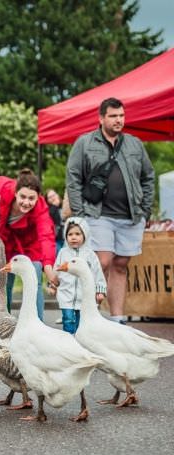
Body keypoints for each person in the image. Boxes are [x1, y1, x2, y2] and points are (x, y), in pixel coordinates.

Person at [66, 97, 155, 324]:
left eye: (121, 116)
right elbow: (73, 177)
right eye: (114, 116)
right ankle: (89, 316)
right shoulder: (85, 143)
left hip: (131, 216)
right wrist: (78, 212)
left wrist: (144, 210)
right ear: (101, 118)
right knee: (102, 261)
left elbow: (148, 177)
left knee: (121, 265)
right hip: (97, 214)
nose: (119, 120)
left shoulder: (134, 144)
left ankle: (117, 319)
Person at [0, 168, 57, 320]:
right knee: (4, 282)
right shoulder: (7, 187)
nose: (26, 202)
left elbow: (46, 236)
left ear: (38, 197)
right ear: (15, 193)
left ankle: (36, 323)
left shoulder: (41, 208)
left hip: (30, 245)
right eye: (23, 196)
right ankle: (3, 320)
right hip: (7, 241)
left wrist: (48, 266)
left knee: (35, 278)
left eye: (31, 198)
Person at [48, 217, 106, 334]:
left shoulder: (90, 255)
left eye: (78, 234)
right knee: (68, 320)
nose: (74, 237)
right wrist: (52, 285)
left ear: (85, 235)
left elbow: (97, 273)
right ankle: (69, 341)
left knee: (83, 321)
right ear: (66, 236)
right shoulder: (63, 253)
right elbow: (56, 270)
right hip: (66, 293)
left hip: (84, 296)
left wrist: (100, 291)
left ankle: (81, 340)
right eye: (70, 234)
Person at [45, 188, 64, 254]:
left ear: (57, 195)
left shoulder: (64, 205)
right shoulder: (48, 210)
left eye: (54, 195)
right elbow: (49, 217)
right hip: (56, 239)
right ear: (47, 200)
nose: (53, 198)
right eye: (50, 197)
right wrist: (54, 206)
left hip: (66, 237)